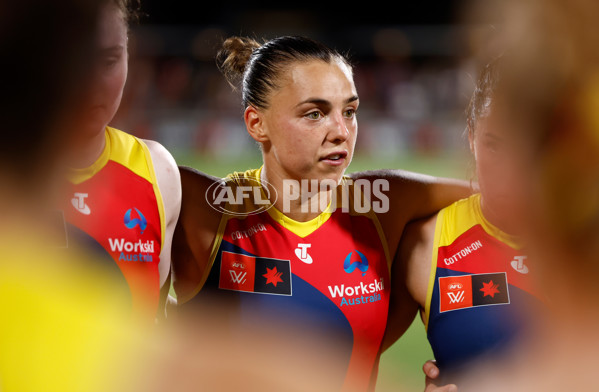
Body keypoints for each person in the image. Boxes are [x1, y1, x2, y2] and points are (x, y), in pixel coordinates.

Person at [169, 35, 471, 391]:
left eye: (349, 112)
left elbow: (500, 201)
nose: (341, 132)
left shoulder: (385, 204)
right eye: (315, 114)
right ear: (256, 123)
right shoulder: (200, 206)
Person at [382, 56, 546, 387]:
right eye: (494, 145)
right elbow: (348, 359)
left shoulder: (584, 244)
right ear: (471, 137)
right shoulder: (426, 246)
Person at [62, 0, 181, 321]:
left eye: (109, 60)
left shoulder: (158, 169)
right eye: (72, 59)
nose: (90, 83)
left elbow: (153, 317)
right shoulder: (12, 176)